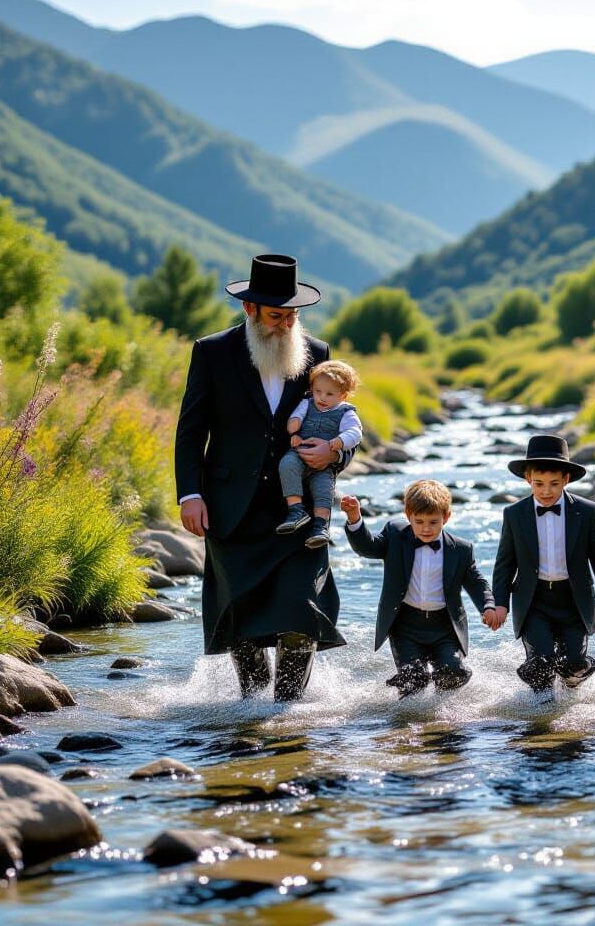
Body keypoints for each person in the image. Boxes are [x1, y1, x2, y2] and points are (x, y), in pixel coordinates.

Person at [175, 254, 353, 702]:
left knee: (301, 609)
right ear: (250, 309)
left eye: (293, 315)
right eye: (277, 315)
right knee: (242, 614)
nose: (287, 324)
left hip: (300, 511)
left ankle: (287, 711)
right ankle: (251, 708)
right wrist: (190, 494)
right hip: (230, 506)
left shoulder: (320, 355)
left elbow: (341, 429)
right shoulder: (212, 351)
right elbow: (191, 430)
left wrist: (332, 454)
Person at [491, 435, 595, 700]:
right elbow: (505, 563)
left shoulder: (586, 511)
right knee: (542, 662)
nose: (546, 491)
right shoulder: (514, 514)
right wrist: (500, 603)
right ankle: (539, 720)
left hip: (573, 601)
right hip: (533, 601)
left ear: (566, 480)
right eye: (539, 484)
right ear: (528, 479)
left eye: (553, 484)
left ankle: (574, 682)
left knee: (572, 663)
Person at [341, 480, 498, 698]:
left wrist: (488, 606)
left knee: (451, 673)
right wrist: (355, 518)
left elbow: (476, 581)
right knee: (412, 680)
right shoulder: (395, 534)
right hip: (406, 628)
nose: (426, 528)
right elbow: (368, 547)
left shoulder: (461, 549)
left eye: (434, 522)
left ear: (447, 517)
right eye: (419, 521)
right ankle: (408, 723)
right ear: (408, 516)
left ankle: (443, 723)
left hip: (445, 628)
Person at [277, 359, 363, 548]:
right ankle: (296, 510)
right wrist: (295, 432)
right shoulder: (307, 403)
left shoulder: (346, 413)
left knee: (323, 487)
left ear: (344, 395)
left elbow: (355, 433)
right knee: (287, 465)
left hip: (324, 463)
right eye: (318, 392)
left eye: (330, 394)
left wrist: (338, 443)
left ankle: (320, 525)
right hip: (300, 453)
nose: (322, 398)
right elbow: (296, 418)